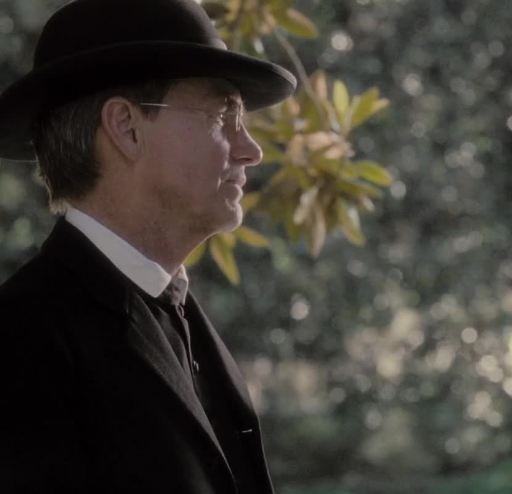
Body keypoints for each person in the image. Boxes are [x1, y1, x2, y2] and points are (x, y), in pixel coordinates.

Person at [0, 0, 296, 493]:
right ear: (126, 128)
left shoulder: (178, 313)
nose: (251, 149)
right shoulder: (22, 341)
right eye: (223, 114)